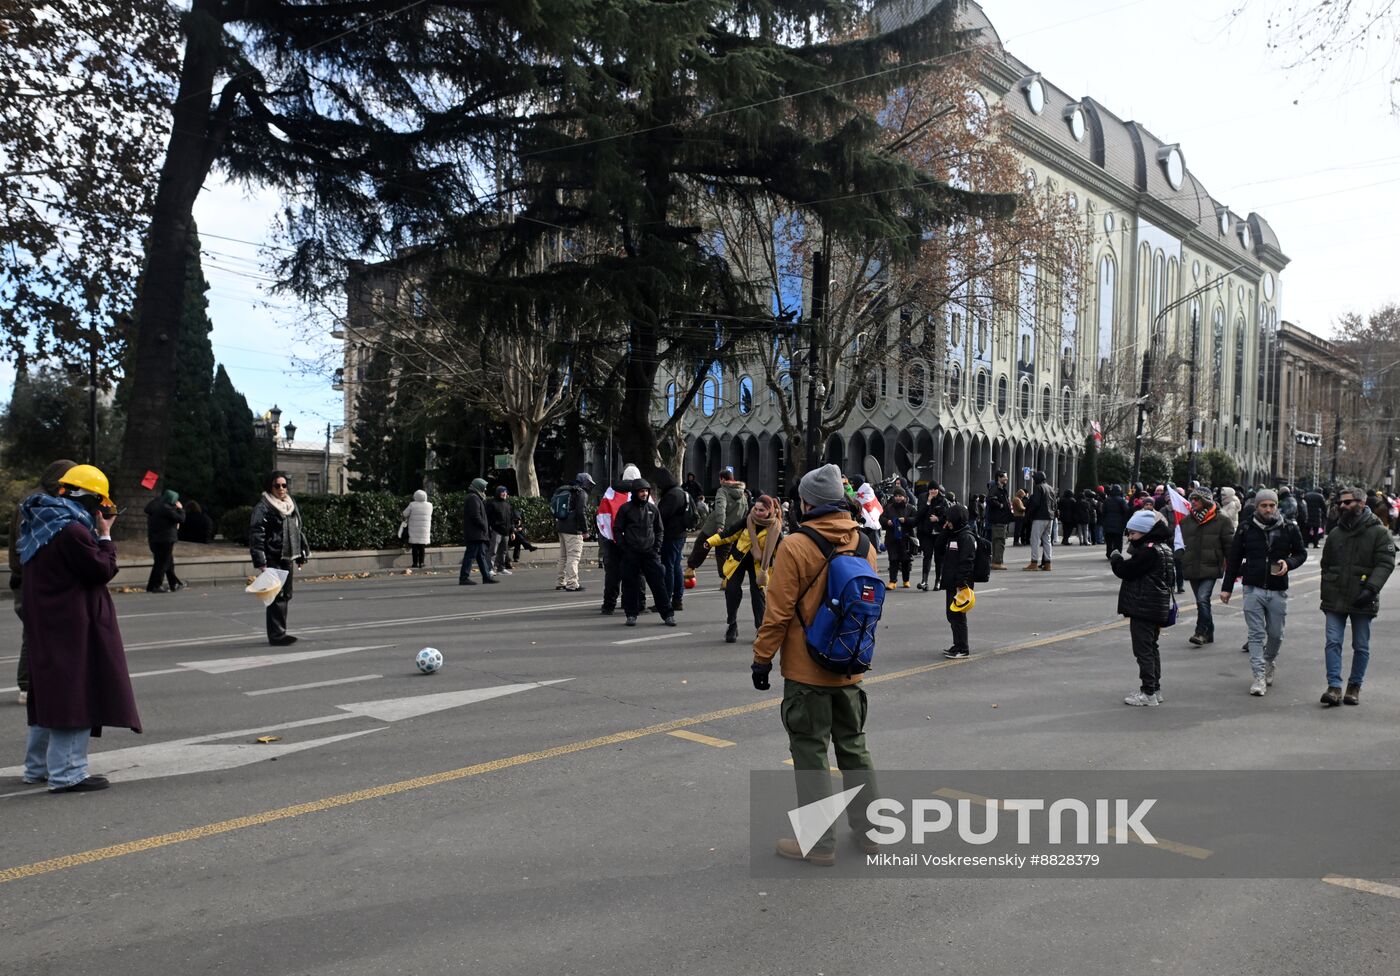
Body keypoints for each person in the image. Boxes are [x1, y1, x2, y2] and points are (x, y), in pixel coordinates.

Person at [751, 463, 878, 866]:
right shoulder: (864, 544)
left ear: (806, 502)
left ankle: (819, 843)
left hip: (807, 673)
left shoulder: (795, 546)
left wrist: (761, 659)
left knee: (810, 752)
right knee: (855, 749)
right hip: (850, 665)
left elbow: (778, 612)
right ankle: (872, 832)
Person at [17, 463, 141, 792]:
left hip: (47, 621)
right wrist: (105, 534)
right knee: (76, 693)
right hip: (72, 624)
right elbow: (101, 569)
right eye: (101, 502)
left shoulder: (40, 521)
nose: (103, 509)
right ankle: (67, 773)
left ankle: (38, 767)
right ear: (88, 498)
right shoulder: (71, 530)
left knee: (49, 694)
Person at [1221, 488, 1307, 696]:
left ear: (1277, 506)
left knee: (1276, 635)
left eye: (1272, 505)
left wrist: (1288, 562)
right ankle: (1258, 676)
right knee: (1256, 634)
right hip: (1252, 588)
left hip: (1278, 590)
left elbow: (1301, 553)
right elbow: (1234, 560)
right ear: (1257, 507)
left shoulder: (1289, 527)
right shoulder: (1246, 528)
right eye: (1264, 505)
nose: (1268, 509)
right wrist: (1227, 588)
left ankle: (1268, 661)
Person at [1317, 486, 1396, 706]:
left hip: (1363, 596)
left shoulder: (1379, 532)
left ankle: (1354, 686)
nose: (1342, 506)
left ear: (1361, 504)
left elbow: (1386, 562)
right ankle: (1334, 687)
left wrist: (1370, 589)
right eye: (1340, 502)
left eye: (1348, 502)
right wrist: (1328, 589)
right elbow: (1326, 564)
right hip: (1335, 597)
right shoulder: (1335, 533)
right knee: (1333, 642)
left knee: (1361, 645)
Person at [8, 459, 76, 705]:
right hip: (32, 579)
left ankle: (33, 685)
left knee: (36, 632)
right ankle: (28, 686)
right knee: (37, 633)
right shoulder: (40, 503)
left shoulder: (35, 500)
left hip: (25, 577)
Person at [1110, 509, 1175, 707]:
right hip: (1156, 606)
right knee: (1151, 647)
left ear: (1145, 532)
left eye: (1134, 533)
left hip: (1144, 606)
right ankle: (1155, 688)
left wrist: (1116, 559)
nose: (1131, 537)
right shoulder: (1163, 548)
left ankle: (1148, 692)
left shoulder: (1148, 551)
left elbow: (1126, 571)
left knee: (1143, 649)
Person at [708, 493, 781, 643]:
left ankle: (760, 629)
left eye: (762, 510)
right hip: (738, 561)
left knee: (758, 595)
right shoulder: (748, 520)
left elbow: (782, 551)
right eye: (756, 508)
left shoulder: (775, 528)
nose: (757, 512)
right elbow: (729, 534)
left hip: (760, 567)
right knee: (732, 591)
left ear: (770, 511)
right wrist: (710, 542)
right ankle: (732, 624)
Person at [250, 470, 310, 644]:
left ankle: (280, 632)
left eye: (284, 485)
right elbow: (256, 535)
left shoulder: (290, 505)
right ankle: (277, 635)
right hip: (272, 556)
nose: (282, 489)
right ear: (270, 487)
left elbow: (298, 530)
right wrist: (261, 562)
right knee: (277, 596)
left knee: (285, 595)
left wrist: (301, 554)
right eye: (277, 485)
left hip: (287, 556)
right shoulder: (263, 507)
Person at [612, 478, 675, 627]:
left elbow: (660, 530)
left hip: (650, 553)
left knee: (659, 584)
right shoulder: (625, 509)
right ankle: (631, 614)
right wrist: (624, 548)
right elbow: (617, 529)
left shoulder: (653, 509)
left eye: (646, 491)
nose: (644, 494)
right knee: (630, 586)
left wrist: (656, 548)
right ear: (635, 492)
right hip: (631, 554)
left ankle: (667, 615)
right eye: (641, 491)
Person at [1179, 488, 1233, 647]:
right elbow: (1179, 544)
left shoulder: (1222, 520)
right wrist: (1179, 556)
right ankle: (1209, 632)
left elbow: (1230, 547)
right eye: (1192, 499)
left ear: (1206, 501)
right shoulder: (1185, 521)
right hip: (1192, 567)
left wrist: (1233, 569)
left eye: (1197, 499)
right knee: (1201, 602)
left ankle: (1200, 632)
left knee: (1203, 599)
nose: (1193, 502)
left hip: (1211, 567)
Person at [692, 466, 750, 579]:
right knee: (723, 554)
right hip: (731, 531)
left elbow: (720, 508)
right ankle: (725, 578)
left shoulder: (723, 490)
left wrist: (720, 525)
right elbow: (745, 513)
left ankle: (690, 568)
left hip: (714, 528)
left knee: (701, 545)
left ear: (723, 479)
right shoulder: (743, 495)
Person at [595, 465, 638, 613]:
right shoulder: (641, 492)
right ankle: (633, 603)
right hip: (633, 543)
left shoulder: (610, 492)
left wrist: (610, 536)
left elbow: (602, 517)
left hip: (612, 541)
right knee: (634, 574)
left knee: (612, 575)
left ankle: (609, 605)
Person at [938, 503, 976, 659]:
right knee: (951, 614)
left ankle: (963, 647)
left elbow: (967, 560)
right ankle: (957, 644)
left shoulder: (966, 536)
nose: (948, 522)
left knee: (958, 616)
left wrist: (961, 582)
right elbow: (938, 547)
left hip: (961, 583)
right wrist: (945, 530)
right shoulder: (953, 534)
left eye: (950, 519)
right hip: (951, 582)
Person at [654, 469, 691, 612]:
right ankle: (677, 599)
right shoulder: (682, 492)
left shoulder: (672, 495)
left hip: (671, 535)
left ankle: (666, 600)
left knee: (668, 567)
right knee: (676, 567)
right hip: (680, 535)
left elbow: (661, 516)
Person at [553, 472, 594, 592]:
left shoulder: (566, 490)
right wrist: (585, 530)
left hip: (561, 526)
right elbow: (581, 512)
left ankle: (560, 582)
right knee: (573, 556)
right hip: (573, 529)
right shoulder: (581, 493)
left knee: (563, 556)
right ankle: (572, 583)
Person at [143, 489, 186, 592]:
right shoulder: (167, 509)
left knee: (167, 562)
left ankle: (174, 583)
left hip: (154, 538)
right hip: (166, 539)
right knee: (162, 563)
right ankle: (155, 586)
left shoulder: (155, 505)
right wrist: (180, 509)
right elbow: (181, 519)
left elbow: (148, 508)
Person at [458, 478, 497, 585]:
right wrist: (484, 526)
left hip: (477, 533)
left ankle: (486, 577)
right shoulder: (473, 498)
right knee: (470, 556)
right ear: (479, 486)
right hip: (476, 533)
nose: (485, 489)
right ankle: (464, 577)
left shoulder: (476, 497)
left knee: (481, 557)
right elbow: (475, 516)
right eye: (484, 486)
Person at [915, 482, 948, 590]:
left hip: (939, 533)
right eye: (931, 489)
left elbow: (947, 516)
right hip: (926, 532)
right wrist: (928, 502)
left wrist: (938, 519)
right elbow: (919, 514)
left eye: (935, 489)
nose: (933, 491)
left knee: (939, 558)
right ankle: (924, 581)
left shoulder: (943, 500)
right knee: (927, 555)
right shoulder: (922, 498)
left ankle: (938, 581)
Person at [879, 485, 914, 589]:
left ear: (904, 497)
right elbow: (881, 519)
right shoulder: (889, 507)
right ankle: (892, 581)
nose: (898, 498)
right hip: (892, 538)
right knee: (893, 560)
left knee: (905, 560)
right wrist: (887, 522)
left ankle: (906, 580)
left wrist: (906, 520)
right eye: (896, 496)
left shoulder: (910, 508)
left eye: (900, 496)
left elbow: (916, 520)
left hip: (906, 538)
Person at [1023, 470, 1055, 571]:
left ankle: (1034, 562)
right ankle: (1047, 563)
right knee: (1047, 540)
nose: (1033, 480)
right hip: (1050, 517)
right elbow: (1054, 504)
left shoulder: (1038, 488)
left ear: (1037, 479)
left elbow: (1035, 503)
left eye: (1034, 478)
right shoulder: (1050, 488)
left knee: (1035, 540)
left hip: (1039, 517)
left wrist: (1028, 515)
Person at [985, 471, 1013, 569]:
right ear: (999, 478)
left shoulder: (1002, 489)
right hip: (998, 519)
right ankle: (997, 562)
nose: (1007, 479)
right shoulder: (995, 489)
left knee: (999, 540)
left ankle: (997, 561)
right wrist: (1000, 505)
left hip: (1002, 519)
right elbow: (990, 500)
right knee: (999, 541)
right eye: (1005, 477)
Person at [486, 485, 516, 576]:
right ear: (498, 493)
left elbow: (511, 519)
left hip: (506, 532)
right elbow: (488, 517)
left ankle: (501, 568)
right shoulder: (492, 503)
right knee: (493, 551)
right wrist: (491, 528)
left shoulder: (508, 505)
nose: (504, 494)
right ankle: (489, 569)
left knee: (503, 551)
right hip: (496, 531)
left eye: (506, 492)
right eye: (502, 492)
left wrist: (512, 531)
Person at [401, 489, 433, 569]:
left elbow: (404, 514)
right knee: (422, 546)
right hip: (424, 529)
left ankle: (415, 563)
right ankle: (421, 563)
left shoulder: (412, 505)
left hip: (414, 528)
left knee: (414, 546)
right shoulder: (429, 505)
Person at [1101, 484, 1129, 559]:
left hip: (1108, 523)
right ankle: (1117, 553)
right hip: (1119, 524)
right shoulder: (1121, 500)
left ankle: (1109, 553)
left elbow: (1103, 512)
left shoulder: (1107, 500)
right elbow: (1126, 511)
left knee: (1109, 540)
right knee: (1118, 540)